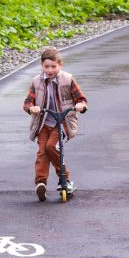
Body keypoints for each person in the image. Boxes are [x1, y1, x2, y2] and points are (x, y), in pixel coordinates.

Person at [23, 47, 88, 201]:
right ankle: (41, 183)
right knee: (42, 152)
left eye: (53, 66)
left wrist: (81, 106)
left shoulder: (68, 79)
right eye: (46, 66)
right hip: (44, 122)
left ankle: (65, 179)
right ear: (41, 65)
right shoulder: (36, 81)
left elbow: (81, 99)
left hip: (63, 121)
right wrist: (32, 108)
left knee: (52, 146)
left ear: (60, 65)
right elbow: (27, 103)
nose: (50, 70)